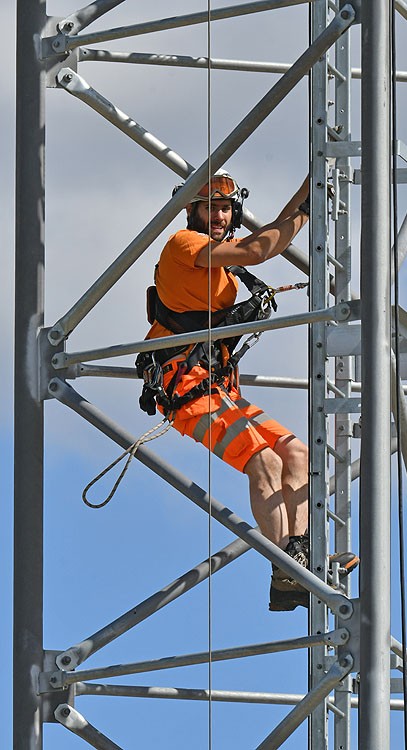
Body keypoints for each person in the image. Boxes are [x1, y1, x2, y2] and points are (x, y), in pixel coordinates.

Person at [140, 170, 358, 610]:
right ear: (192, 211)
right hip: (185, 386)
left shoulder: (222, 262)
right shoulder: (184, 245)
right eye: (209, 208)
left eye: (224, 208)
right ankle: (285, 570)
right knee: (262, 462)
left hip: (218, 386)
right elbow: (260, 248)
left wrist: (307, 197)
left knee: (295, 453)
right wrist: (308, 195)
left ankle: (299, 555)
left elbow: (259, 246)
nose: (218, 216)